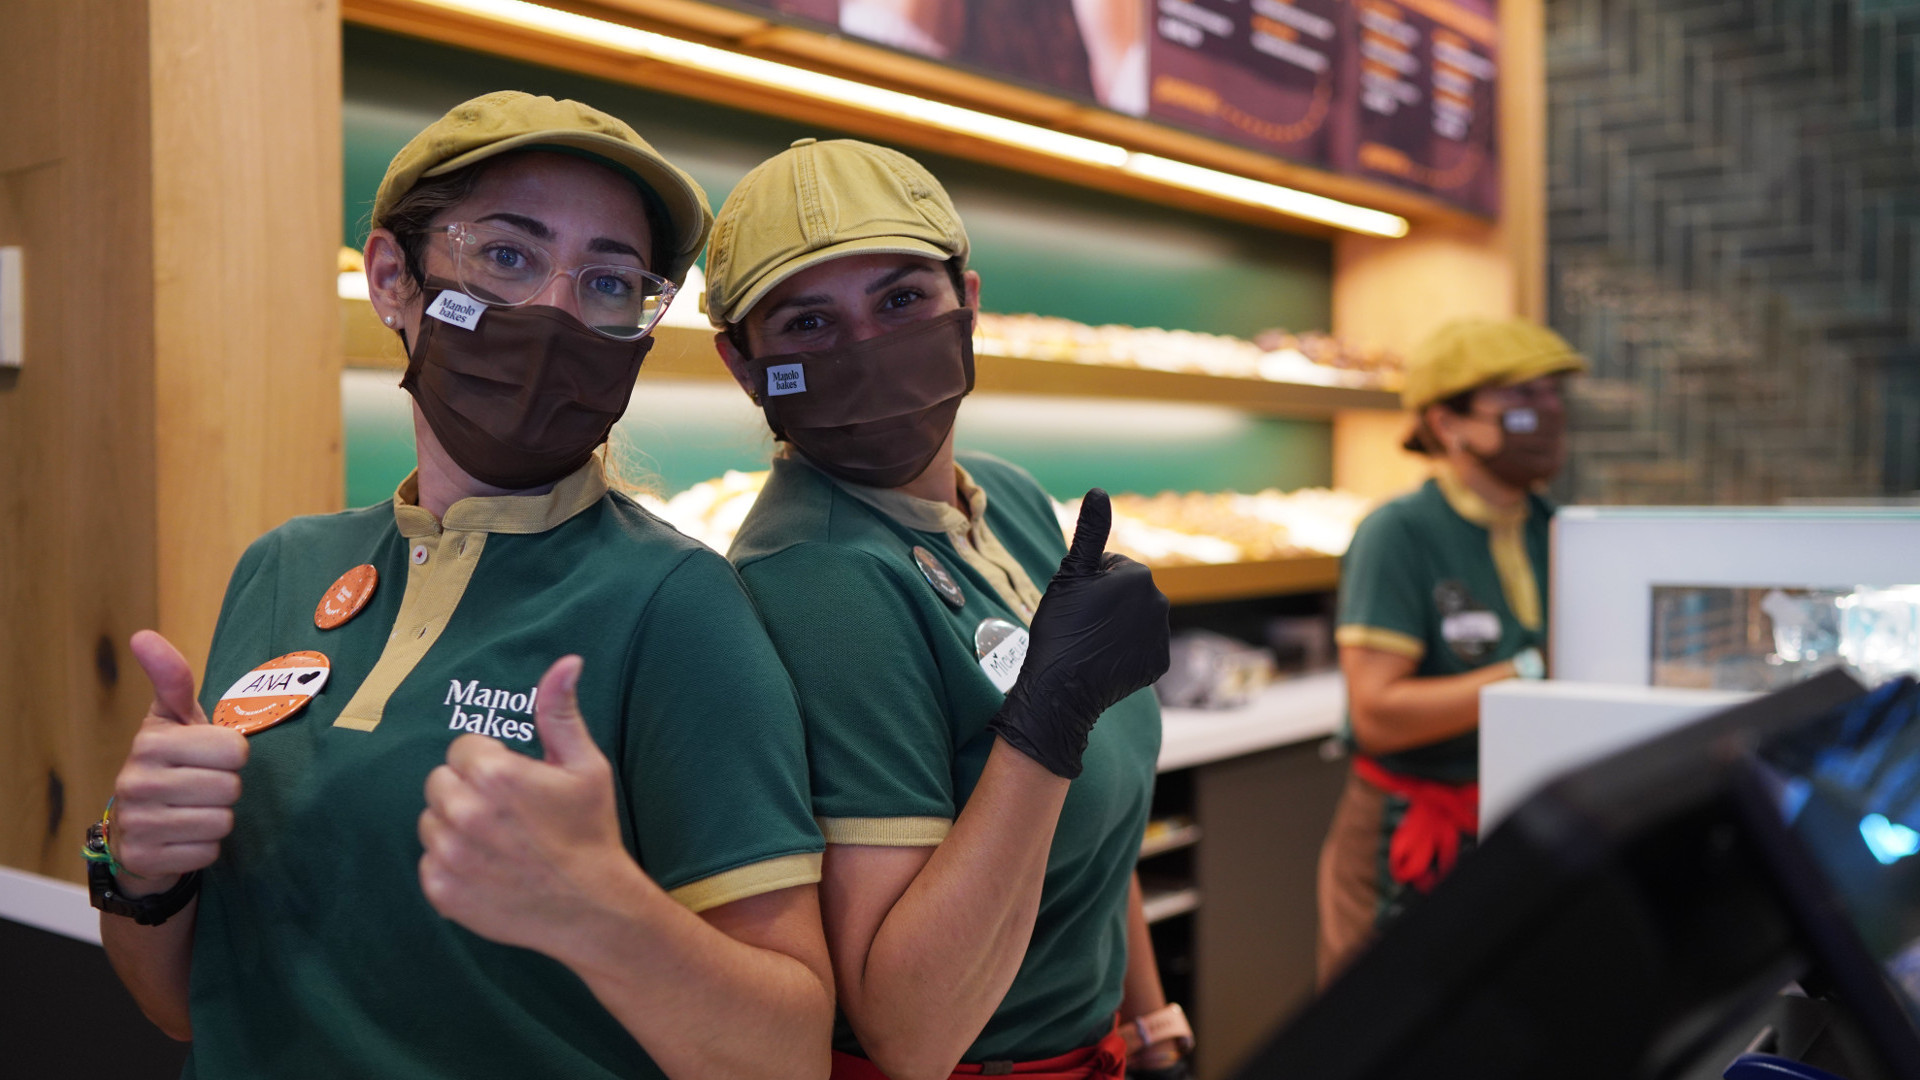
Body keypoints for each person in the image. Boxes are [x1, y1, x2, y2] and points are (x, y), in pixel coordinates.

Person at [91, 92, 835, 1080]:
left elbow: (788, 1054)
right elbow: (180, 1005)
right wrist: (136, 865)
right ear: (391, 279)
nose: (555, 313)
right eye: (508, 256)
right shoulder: (282, 567)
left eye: (609, 282)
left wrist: (604, 914)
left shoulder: (678, 606)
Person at [705, 136, 1188, 1080]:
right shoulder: (816, 580)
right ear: (743, 363)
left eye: (900, 301)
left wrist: (1151, 1022)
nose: (867, 348)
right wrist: (1051, 714)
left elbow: (1089, 826)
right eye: (808, 322)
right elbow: (911, 1032)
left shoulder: (1008, 499)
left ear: (966, 302)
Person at [1315, 317, 1588, 984]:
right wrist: (1531, 670)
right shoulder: (1399, 534)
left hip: (1522, 823)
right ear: (1447, 423)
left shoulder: (1559, 528)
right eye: (1521, 397)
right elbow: (1377, 714)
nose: (1548, 413)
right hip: (1408, 836)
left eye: (1553, 394)